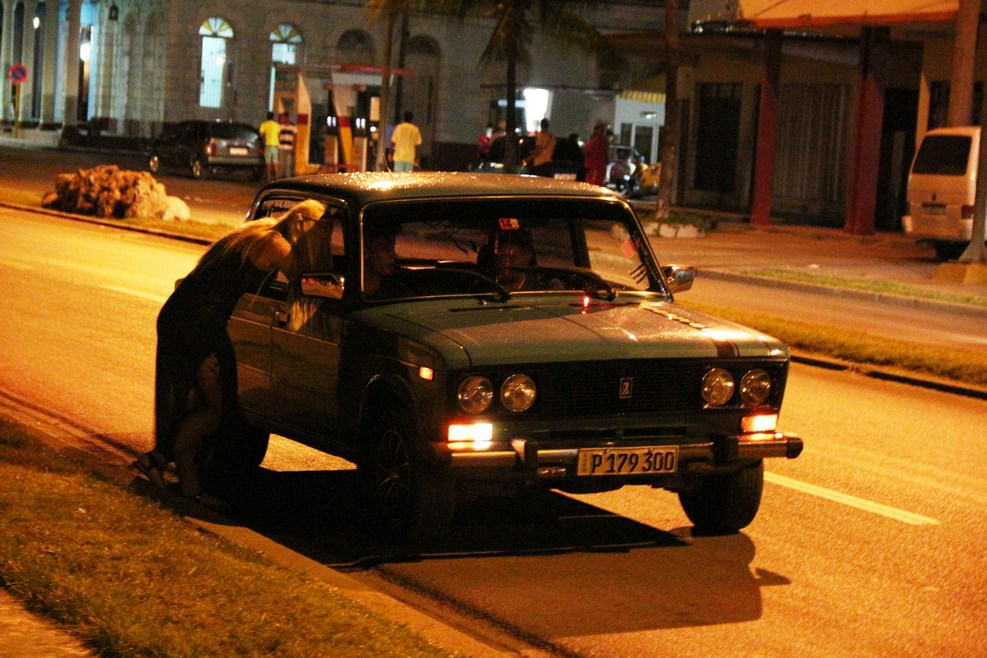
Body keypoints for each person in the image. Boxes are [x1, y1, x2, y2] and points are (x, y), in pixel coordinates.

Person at [134, 199, 327, 507]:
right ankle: (156, 459)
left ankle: (189, 487)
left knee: (196, 403)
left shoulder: (259, 231)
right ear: (307, 230)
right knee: (218, 408)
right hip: (199, 324)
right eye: (322, 231)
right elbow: (307, 281)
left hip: (186, 316)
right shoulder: (276, 246)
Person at [362, 222, 411, 299]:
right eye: (386, 249)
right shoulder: (347, 289)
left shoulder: (398, 292)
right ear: (365, 252)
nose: (394, 255)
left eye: (392, 248)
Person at [583, 122, 608, 187]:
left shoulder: (599, 141)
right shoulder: (597, 141)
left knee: (594, 183)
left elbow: (586, 152)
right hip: (595, 166)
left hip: (597, 166)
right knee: (593, 183)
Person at [258, 112, 281, 181]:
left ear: (267, 117)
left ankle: (269, 177)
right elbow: (279, 135)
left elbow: (261, 135)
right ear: (273, 117)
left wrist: (265, 135)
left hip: (268, 145)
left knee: (268, 162)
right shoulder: (277, 125)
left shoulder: (264, 124)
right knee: (275, 161)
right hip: (275, 145)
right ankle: (277, 177)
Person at [277, 112, 297, 179]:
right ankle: (281, 179)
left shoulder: (293, 126)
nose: (282, 119)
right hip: (281, 147)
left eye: (283, 117)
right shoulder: (280, 126)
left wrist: (293, 148)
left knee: (288, 165)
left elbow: (295, 138)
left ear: (287, 117)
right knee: (281, 164)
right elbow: (278, 136)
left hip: (289, 148)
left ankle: (287, 179)